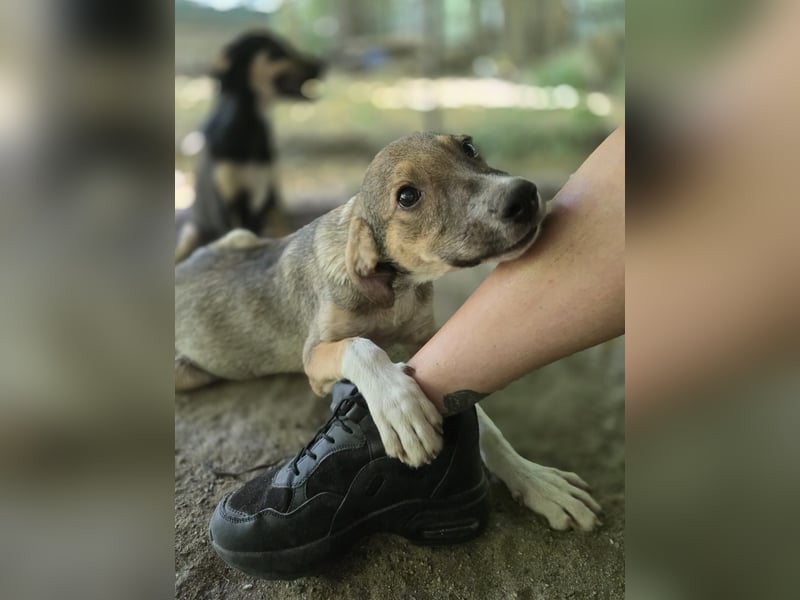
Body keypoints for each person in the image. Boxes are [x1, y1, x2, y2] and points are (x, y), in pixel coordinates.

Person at [209, 126, 626, 579]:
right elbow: (317, 364)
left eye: (466, 150)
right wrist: (365, 361)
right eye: (409, 197)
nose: (508, 192)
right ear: (368, 256)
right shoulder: (348, 270)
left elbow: (449, 372)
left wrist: (512, 467)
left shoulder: (405, 279)